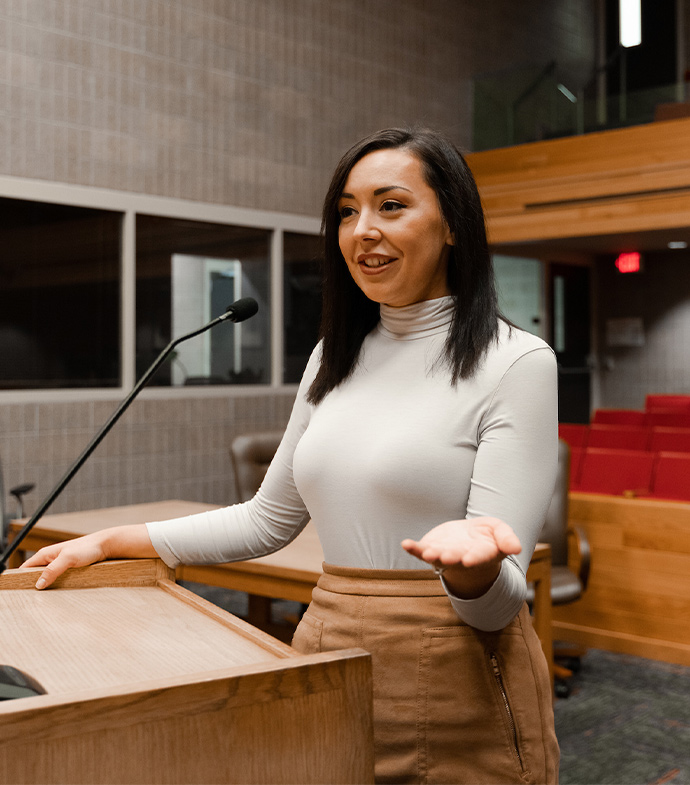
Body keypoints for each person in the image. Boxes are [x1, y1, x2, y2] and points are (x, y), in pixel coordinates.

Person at [23, 127, 559, 784]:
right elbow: (266, 520)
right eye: (346, 211)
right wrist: (111, 542)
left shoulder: (517, 362)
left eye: (391, 205)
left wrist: (471, 569)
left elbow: (499, 603)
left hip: (456, 671)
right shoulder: (332, 356)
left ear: (452, 224)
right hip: (326, 640)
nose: (363, 229)